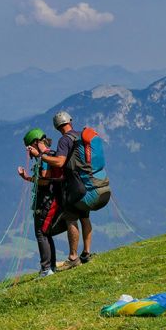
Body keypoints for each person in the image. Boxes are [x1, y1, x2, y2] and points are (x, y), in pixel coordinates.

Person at [32, 110, 109, 270]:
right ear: (70, 121)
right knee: (84, 217)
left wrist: (41, 156)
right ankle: (86, 253)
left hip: (75, 187)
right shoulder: (81, 136)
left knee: (71, 218)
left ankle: (73, 257)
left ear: (57, 126)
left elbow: (59, 162)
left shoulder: (64, 140)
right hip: (89, 184)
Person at [17, 127, 58, 278]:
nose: (29, 152)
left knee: (41, 233)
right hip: (49, 200)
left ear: (35, 142)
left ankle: (46, 269)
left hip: (46, 201)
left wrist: (28, 178)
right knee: (46, 233)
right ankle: (51, 267)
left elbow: (45, 181)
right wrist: (27, 177)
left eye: (29, 147)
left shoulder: (45, 158)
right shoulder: (49, 155)